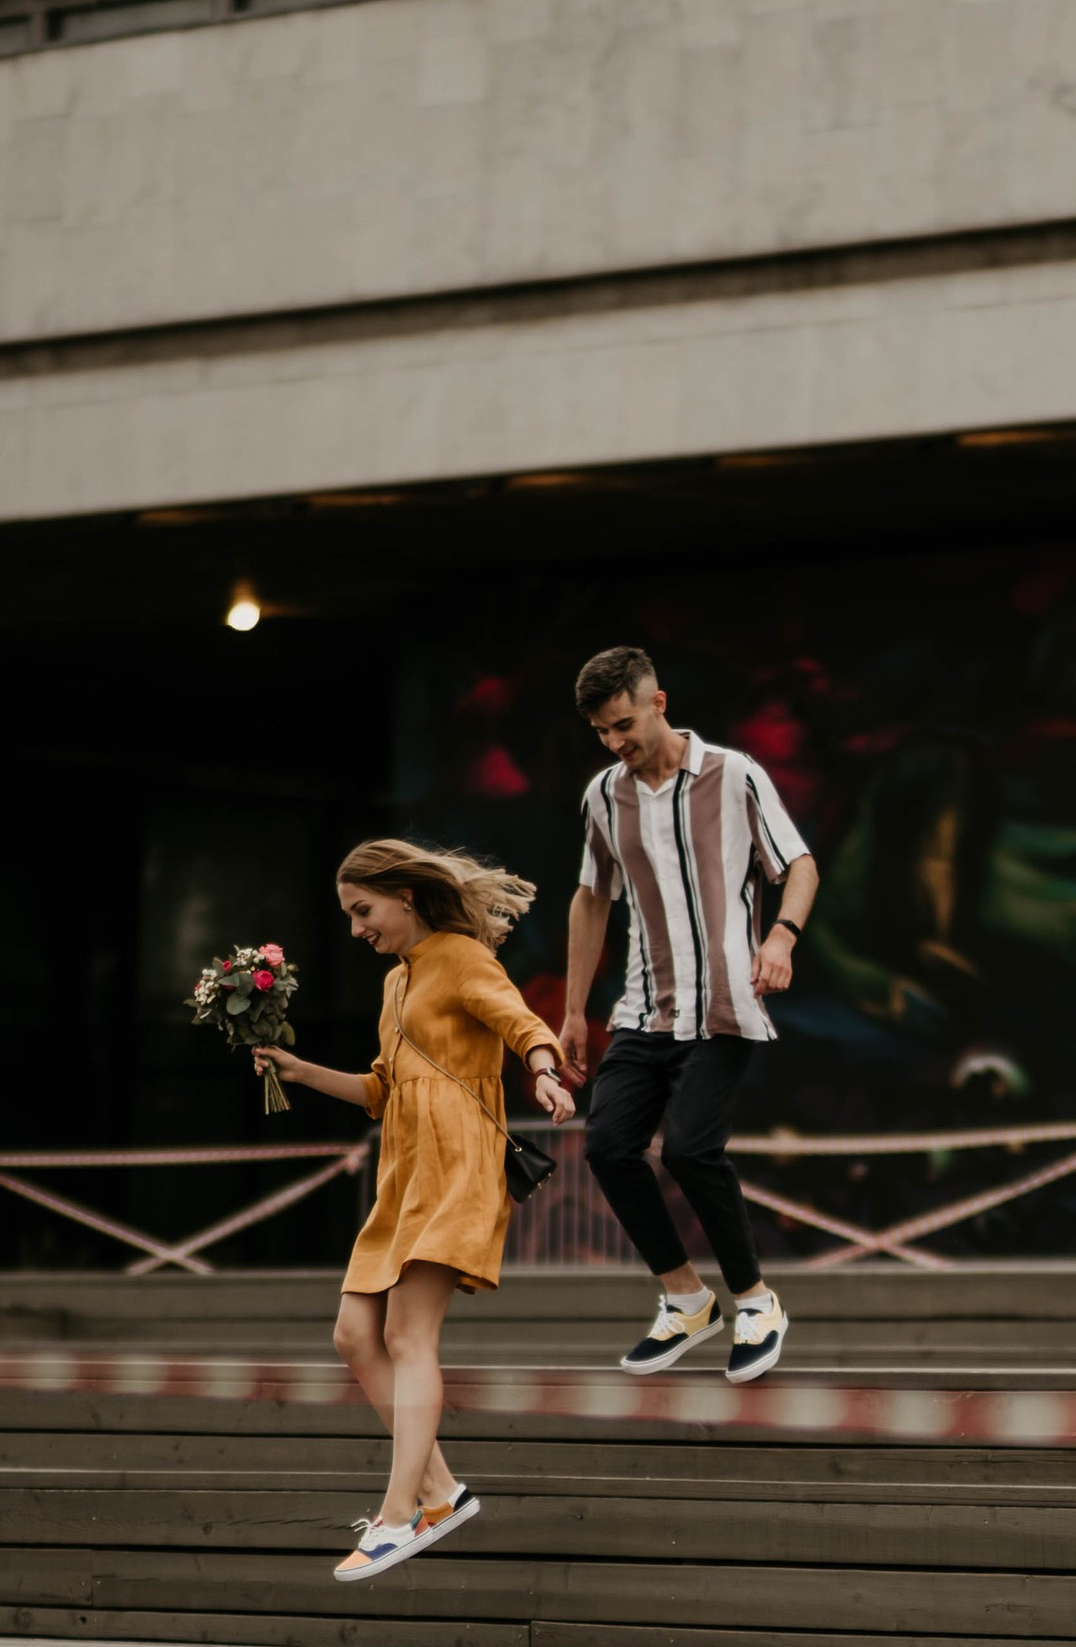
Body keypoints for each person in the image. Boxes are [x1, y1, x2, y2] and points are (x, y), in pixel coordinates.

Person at [256, 838, 575, 1582]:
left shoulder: (462, 958)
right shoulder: (396, 982)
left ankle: (401, 1513)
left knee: (406, 1333)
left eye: (363, 910)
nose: (356, 928)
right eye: (349, 915)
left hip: (459, 1168)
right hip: (403, 1177)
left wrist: (544, 1072)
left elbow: (520, 1022)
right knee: (352, 1335)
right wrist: (300, 1071)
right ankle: (441, 1494)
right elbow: (381, 1090)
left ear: (404, 895)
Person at [554, 643, 819, 1382]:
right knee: (608, 1146)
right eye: (602, 732)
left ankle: (756, 1303)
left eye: (624, 724)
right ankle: (686, 1299)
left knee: (690, 1150)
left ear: (658, 703)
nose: (615, 742)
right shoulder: (604, 796)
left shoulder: (735, 774)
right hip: (644, 1009)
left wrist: (781, 937)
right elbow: (591, 897)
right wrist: (573, 1012)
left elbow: (799, 864)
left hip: (726, 1004)